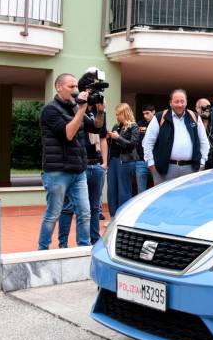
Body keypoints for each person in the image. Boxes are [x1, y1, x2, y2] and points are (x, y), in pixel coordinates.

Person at [38, 72, 106, 250]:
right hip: (57, 171)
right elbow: (68, 134)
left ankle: (83, 250)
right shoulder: (50, 110)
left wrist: (100, 111)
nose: (76, 90)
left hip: (78, 170)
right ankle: (42, 250)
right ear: (59, 87)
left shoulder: (76, 108)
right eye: (71, 87)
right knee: (53, 214)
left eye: (76, 86)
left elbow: (96, 127)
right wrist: (82, 108)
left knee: (84, 213)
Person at [56, 71, 108, 247]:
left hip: (96, 163)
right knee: (69, 208)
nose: (97, 93)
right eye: (94, 88)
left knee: (93, 208)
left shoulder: (97, 106)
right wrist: (82, 107)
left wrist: (104, 162)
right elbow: (68, 133)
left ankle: (92, 242)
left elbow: (101, 134)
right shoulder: (73, 106)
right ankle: (63, 244)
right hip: (78, 164)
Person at [143, 89, 209, 184]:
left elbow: (204, 142)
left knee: (189, 198)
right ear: (170, 103)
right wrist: (151, 164)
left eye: (182, 101)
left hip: (191, 169)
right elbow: (148, 143)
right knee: (165, 198)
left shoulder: (194, 117)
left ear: (186, 102)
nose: (180, 104)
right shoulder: (160, 117)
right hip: (164, 169)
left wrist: (202, 163)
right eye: (176, 101)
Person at [107, 103, 141, 217]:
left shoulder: (134, 127)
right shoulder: (116, 127)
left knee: (124, 190)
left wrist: (118, 138)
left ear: (125, 113)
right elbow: (112, 145)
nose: (117, 117)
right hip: (113, 161)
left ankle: (122, 217)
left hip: (126, 161)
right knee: (112, 190)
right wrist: (109, 138)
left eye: (118, 114)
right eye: (116, 115)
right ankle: (113, 217)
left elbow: (132, 144)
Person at [134, 103, 155, 194]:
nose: (145, 116)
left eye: (147, 113)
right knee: (141, 191)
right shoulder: (139, 124)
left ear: (153, 112)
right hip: (141, 161)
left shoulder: (159, 123)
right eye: (144, 114)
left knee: (157, 188)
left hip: (155, 161)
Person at [195, 98, 213, 169]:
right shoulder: (193, 122)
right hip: (198, 160)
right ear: (197, 108)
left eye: (209, 107)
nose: (207, 110)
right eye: (204, 107)